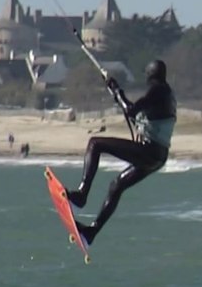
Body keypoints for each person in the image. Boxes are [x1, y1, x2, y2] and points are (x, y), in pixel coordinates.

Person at [67, 59, 176, 245]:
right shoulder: (165, 93)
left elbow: (131, 110)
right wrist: (117, 92)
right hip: (158, 156)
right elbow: (137, 114)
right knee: (116, 185)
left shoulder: (157, 90)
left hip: (149, 150)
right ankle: (92, 232)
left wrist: (118, 91)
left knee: (95, 143)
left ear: (149, 75)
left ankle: (82, 194)